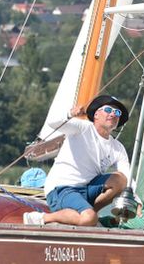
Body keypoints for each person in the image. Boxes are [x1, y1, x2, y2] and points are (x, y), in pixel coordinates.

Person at [23, 95, 130, 227]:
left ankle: (90, 214)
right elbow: (53, 123)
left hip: (86, 189)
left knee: (120, 180)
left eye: (117, 112)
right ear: (96, 114)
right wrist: (70, 114)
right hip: (62, 188)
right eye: (108, 110)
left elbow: (127, 178)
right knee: (88, 218)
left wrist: (136, 202)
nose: (113, 114)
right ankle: (42, 218)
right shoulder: (82, 128)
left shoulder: (117, 147)